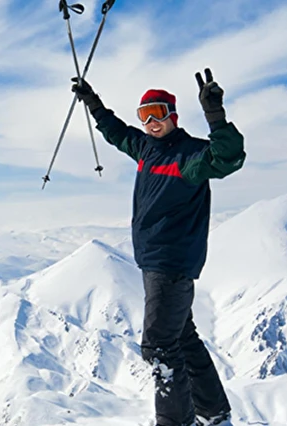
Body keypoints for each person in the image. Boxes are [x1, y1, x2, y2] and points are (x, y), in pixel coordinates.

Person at [71, 68, 245, 426]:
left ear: (173, 116)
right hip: (155, 261)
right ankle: (214, 413)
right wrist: (93, 102)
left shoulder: (190, 155)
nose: (151, 122)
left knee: (159, 349)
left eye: (158, 113)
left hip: (172, 262)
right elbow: (116, 134)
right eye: (144, 115)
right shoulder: (147, 150)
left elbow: (228, 159)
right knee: (183, 338)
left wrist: (216, 116)